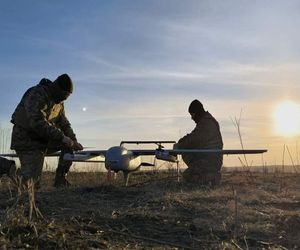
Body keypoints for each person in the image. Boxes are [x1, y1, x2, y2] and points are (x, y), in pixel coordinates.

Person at [10, 74, 83, 188]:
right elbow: (37, 122)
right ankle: (8, 167)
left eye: (67, 97)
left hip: (43, 139)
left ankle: (60, 180)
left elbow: (63, 122)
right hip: (25, 139)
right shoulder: (37, 94)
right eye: (64, 96)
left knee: (68, 146)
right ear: (58, 89)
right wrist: (62, 137)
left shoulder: (58, 102)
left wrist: (73, 140)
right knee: (31, 185)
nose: (64, 99)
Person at [174, 99, 223, 186]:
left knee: (187, 177)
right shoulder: (206, 121)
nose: (192, 118)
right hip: (208, 158)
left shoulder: (206, 123)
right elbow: (193, 136)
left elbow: (194, 140)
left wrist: (179, 145)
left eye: (192, 114)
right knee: (186, 153)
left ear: (197, 112)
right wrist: (181, 143)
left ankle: (211, 178)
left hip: (210, 161)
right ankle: (208, 177)